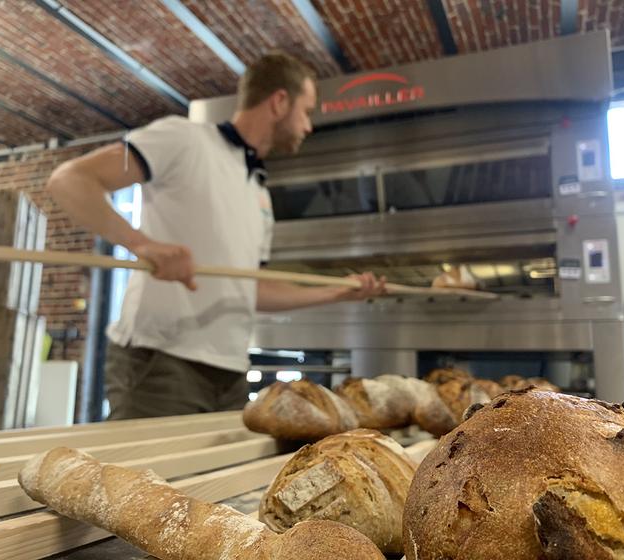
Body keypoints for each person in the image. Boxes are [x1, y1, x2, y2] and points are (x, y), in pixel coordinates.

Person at [47, 52, 386, 420]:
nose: (308, 126)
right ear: (279, 102)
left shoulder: (259, 191)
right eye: (306, 111)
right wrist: (141, 244)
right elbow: (69, 180)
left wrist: (336, 292)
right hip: (163, 363)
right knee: (151, 477)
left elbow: (251, 289)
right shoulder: (185, 139)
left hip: (231, 372)